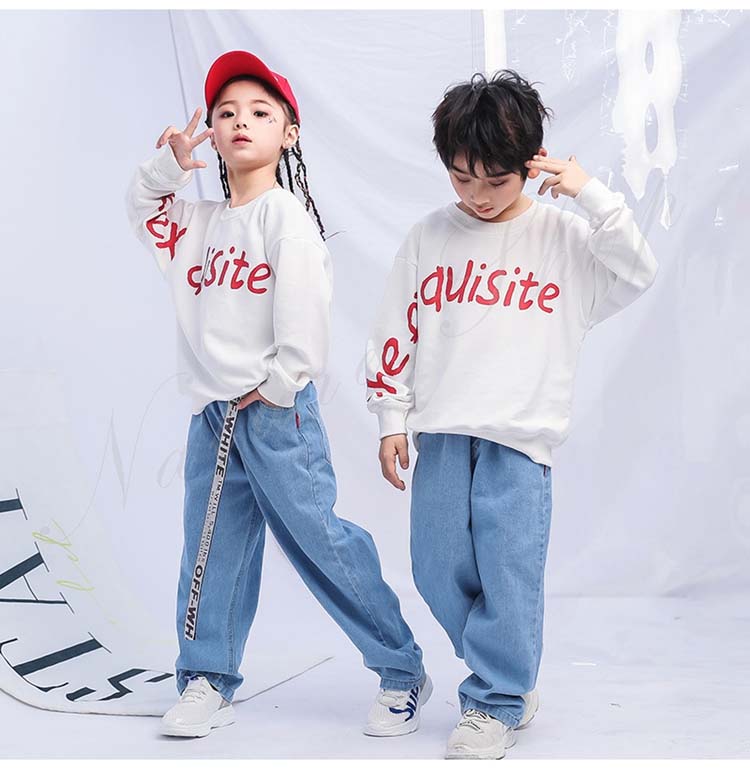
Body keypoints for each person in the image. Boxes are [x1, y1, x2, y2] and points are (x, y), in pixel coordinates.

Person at [126, 50, 430, 741]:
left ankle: (401, 668)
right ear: (211, 131)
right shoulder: (196, 224)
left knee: (321, 540)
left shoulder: (285, 218)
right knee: (211, 546)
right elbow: (140, 206)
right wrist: (169, 166)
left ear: (289, 133)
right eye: (226, 112)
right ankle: (207, 678)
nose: (241, 122)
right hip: (214, 415)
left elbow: (303, 326)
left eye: (261, 112)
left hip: (274, 411)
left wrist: (275, 387)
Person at [365, 69, 658, 760]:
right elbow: (395, 329)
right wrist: (389, 417)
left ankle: (496, 698)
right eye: (461, 177)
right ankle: (510, 671)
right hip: (442, 433)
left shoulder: (563, 238)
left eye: (495, 180)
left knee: (508, 576)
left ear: (531, 163)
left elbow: (638, 270)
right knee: (434, 568)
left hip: (522, 443)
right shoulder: (429, 236)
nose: (477, 195)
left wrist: (589, 192)